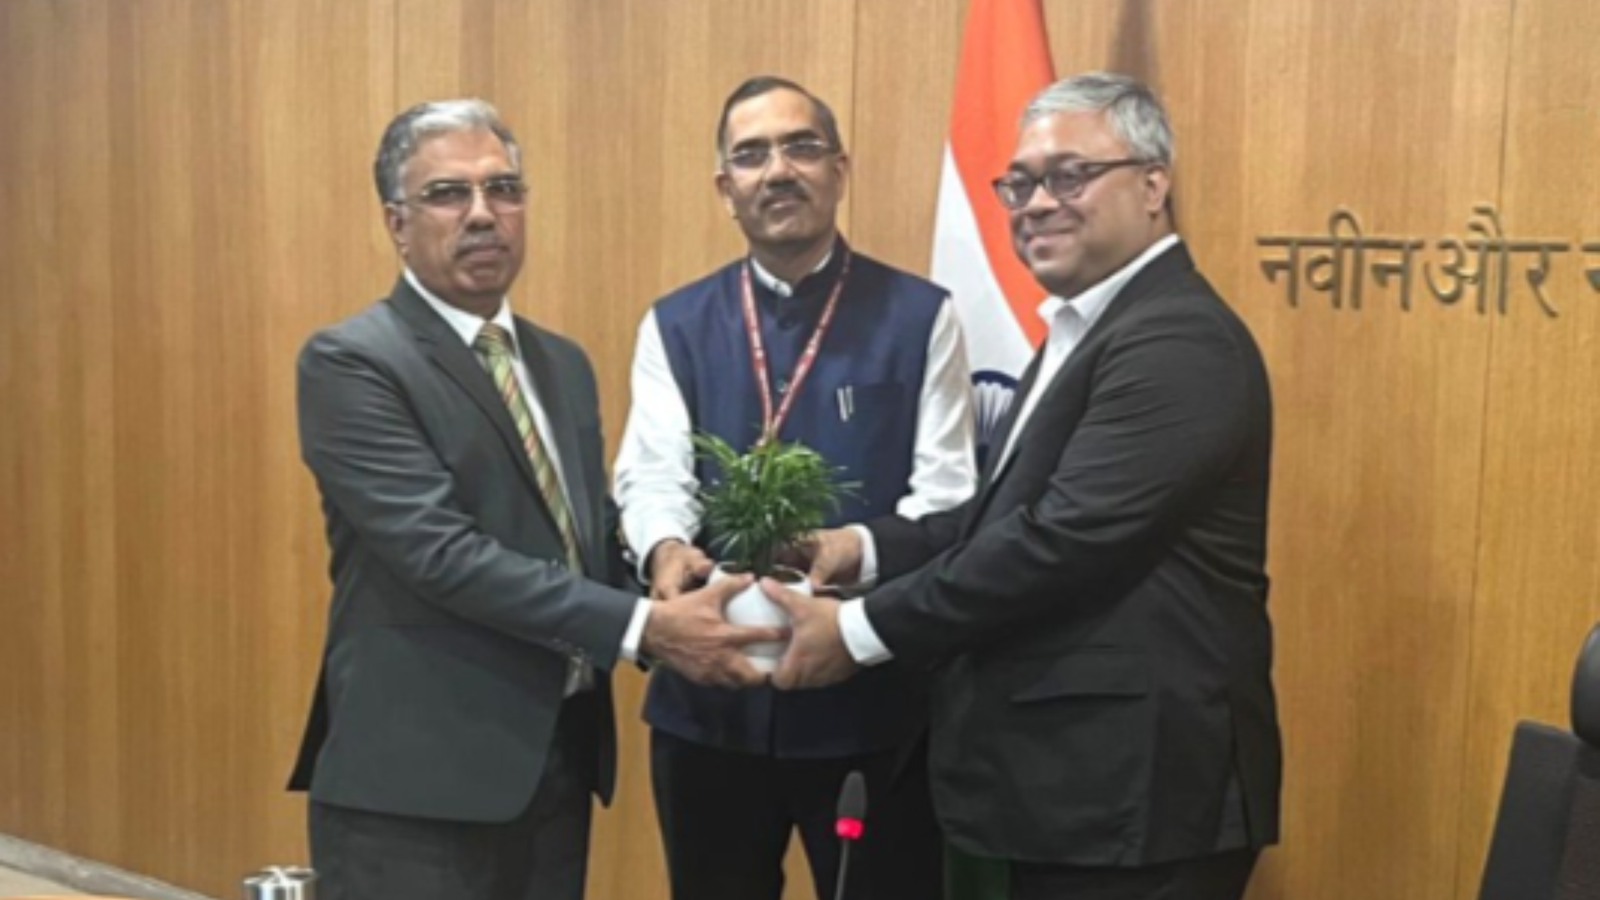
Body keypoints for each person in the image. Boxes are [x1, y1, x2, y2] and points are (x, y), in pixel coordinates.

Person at [766, 72, 1282, 900]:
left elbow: (1058, 541)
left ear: (1154, 185)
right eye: (1020, 182)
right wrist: (860, 551)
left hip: (1139, 801)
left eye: (1070, 176)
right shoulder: (1089, 324)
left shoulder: (1177, 340)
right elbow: (1007, 514)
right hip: (1079, 789)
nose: (1036, 203)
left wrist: (858, 630)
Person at [287, 98, 776, 900]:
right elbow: (440, 555)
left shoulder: (560, 361)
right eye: (449, 194)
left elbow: (573, 535)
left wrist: (662, 571)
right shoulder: (351, 363)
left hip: (552, 768)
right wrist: (645, 627)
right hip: (418, 789)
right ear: (396, 222)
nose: (484, 214)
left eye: (505, 189)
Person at [613, 76, 978, 900]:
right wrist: (665, 548)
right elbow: (652, 474)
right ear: (725, 189)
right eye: (751, 155)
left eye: (801, 146)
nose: (778, 170)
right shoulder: (675, 321)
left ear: (840, 168)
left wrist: (856, 549)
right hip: (708, 699)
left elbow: (951, 500)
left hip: (870, 702)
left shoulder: (922, 315)